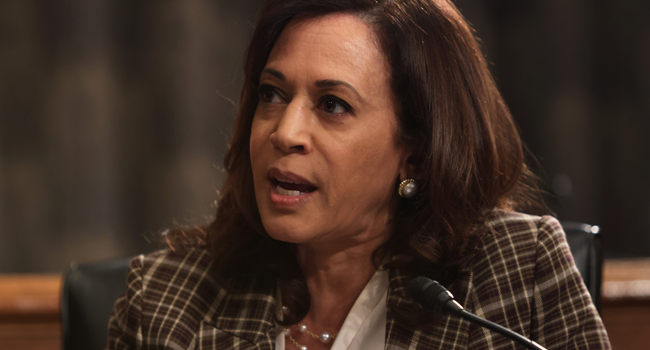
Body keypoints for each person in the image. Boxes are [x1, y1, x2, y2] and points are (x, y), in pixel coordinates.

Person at [106, 0, 611, 349]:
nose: (286, 132)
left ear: (415, 152)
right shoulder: (165, 300)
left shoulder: (520, 275)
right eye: (272, 94)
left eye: (332, 105)